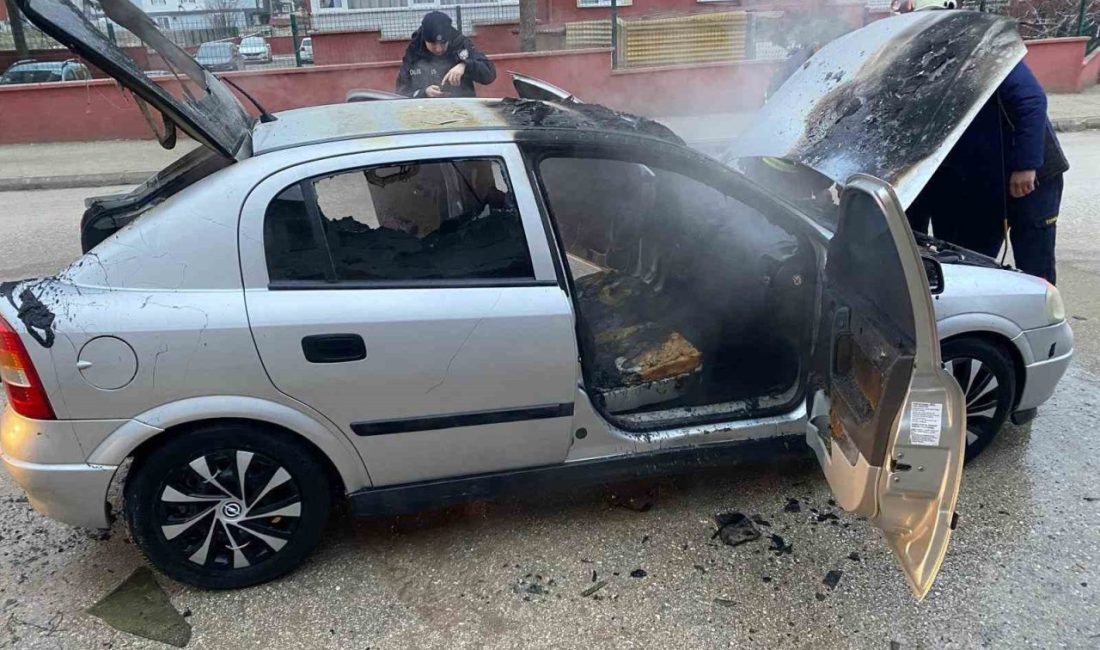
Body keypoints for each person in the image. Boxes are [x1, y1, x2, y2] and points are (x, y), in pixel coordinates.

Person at [902, 1, 1068, 284]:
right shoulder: (925, 66)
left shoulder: (985, 51)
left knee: (1034, 260)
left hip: (1033, 176)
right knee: (975, 259)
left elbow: (1031, 101)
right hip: (986, 181)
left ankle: (1040, 320)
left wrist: (1026, 165)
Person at [395, 11, 496, 99]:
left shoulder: (460, 44)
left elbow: (489, 75)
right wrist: (424, 93)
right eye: (433, 44)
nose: (438, 49)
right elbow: (401, 93)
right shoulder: (414, 51)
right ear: (425, 40)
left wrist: (465, 65)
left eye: (443, 43)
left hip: (462, 109)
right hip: (425, 112)